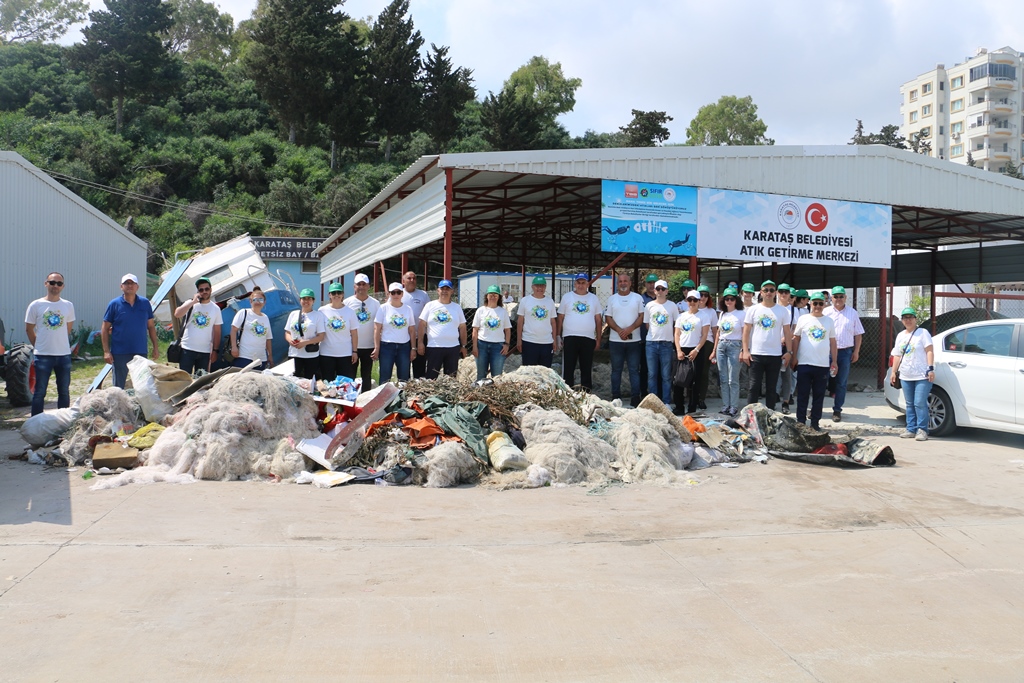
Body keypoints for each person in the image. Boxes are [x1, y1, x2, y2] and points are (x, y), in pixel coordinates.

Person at [25, 272, 75, 416]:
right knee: (40, 392)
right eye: (52, 282)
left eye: (59, 283)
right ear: (46, 283)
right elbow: (29, 329)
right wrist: (39, 345)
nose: (55, 286)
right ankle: (35, 424)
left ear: (63, 286)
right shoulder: (36, 305)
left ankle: (62, 424)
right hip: (43, 355)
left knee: (64, 392)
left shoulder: (68, 305)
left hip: (63, 355)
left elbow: (68, 329)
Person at [741, 280, 792, 410]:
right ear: (761, 292)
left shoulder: (782, 311)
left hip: (775, 355)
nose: (768, 293)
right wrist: (745, 350)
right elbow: (746, 331)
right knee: (753, 387)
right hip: (756, 354)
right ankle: (750, 417)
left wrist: (789, 352)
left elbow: (787, 332)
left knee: (771, 388)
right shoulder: (753, 309)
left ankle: (770, 415)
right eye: (766, 290)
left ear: (775, 292)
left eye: (771, 290)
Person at [789, 292, 837, 430]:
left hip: (822, 364)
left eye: (820, 303)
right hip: (804, 363)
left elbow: (833, 342)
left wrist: (834, 361)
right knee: (803, 394)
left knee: (819, 396)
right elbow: (796, 338)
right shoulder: (803, 319)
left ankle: (815, 423)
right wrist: (794, 357)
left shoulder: (829, 321)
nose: (817, 306)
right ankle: (801, 422)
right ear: (810, 304)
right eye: (815, 303)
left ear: (824, 304)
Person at [102, 273, 158, 389]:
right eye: (126, 283)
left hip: (140, 351)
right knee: (119, 387)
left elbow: (151, 326)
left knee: (142, 385)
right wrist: (106, 351)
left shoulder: (145, 303)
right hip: (120, 353)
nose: (129, 286)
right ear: (121, 286)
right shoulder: (114, 304)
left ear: (137, 287)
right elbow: (105, 328)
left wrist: (155, 348)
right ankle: (118, 407)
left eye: (132, 283)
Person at [890, 307, 935, 441]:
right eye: (905, 318)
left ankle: (922, 430)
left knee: (919, 402)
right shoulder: (900, 336)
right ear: (902, 320)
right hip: (905, 375)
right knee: (909, 403)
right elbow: (897, 355)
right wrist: (893, 371)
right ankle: (911, 428)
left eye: (910, 317)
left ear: (915, 319)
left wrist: (930, 368)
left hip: (922, 375)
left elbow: (929, 351)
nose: (908, 320)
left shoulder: (922, 333)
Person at [824, 285, 864, 422]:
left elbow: (858, 334)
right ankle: (817, 409)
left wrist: (856, 351)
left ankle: (837, 410)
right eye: (836, 296)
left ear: (845, 298)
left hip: (845, 352)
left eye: (841, 296)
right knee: (821, 381)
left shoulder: (852, 313)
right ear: (831, 298)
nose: (838, 299)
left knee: (841, 383)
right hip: (826, 352)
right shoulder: (826, 312)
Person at [604, 273, 645, 406]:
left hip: (634, 341)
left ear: (630, 283)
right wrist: (620, 331)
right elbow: (608, 318)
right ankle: (616, 397)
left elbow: (641, 316)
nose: (623, 283)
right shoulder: (612, 299)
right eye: (620, 281)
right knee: (616, 370)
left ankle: (635, 397)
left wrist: (629, 329)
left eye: (625, 281)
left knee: (634, 370)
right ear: (617, 284)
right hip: (616, 341)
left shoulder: (637, 298)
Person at [557, 273, 602, 391]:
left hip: (588, 338)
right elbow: (560, 317)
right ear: (574, 283)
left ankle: (586, 394)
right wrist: (558, 335)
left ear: (587, 284)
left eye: (583, 283)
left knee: (586, 368)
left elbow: (598, 319)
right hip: (570, 337)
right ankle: (567, 393)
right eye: (578, 283)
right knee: (568, 367)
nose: (581, 285)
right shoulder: (567, 297)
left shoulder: (593, 298)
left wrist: (598, 338)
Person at [418, 279, 467, 379]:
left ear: (452, 291)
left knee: (451, 378)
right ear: (438, 291)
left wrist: (464, 345)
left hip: (453, 347)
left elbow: (462, 327)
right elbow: (422, 324)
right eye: (442, 288)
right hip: (434, 347)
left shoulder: (457, 308)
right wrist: (420, 343)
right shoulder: (430, 306)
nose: (445, 291)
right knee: (431, 378)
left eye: (447, 289)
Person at [173, 277, 221, 376]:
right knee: (184, 379)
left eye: (206, 289)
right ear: (198, 291)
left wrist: (215, 350)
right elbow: (177, 314)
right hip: (187, 348)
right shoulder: (191, 303)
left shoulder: (215, 309)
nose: (204, 292)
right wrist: (193, 302)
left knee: (200, 382)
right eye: (201, 290)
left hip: (204, 351)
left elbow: (217, 331)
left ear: (210, 290)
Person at [373, 283, 416, 384]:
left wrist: (413, 348)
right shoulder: (383, 308)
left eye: (398, 292)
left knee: (404, 378)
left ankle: (402, 399)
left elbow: (412, 330)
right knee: (385, 377)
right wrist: (377, 348)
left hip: (404, 347)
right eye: (393, 293)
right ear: (389, 294)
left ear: (402, 294)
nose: (396, 295)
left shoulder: (408, 309)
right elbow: (377, 328)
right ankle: (384, 399)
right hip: (386, 346)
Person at [710, 286, 743, 416]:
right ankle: (725, 405)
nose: (729, 301)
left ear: (736, 300)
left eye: (732, 299)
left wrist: (744, 350)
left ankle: (734, 406)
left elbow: (745, 333)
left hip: (735, 345)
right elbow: (718, 332)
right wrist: (714, 350)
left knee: (732, 379)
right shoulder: (723, 314)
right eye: (726, 299)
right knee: (723, 379)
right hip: (721, 346)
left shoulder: (741, 314)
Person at [344, 273, 380, 392]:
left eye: (364, 284)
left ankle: (365, 400)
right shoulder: (347, 303)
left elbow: (379, 325)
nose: (361, 287)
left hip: (368, 345)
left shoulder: (375, 303)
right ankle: (350, 400)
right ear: (354, 286)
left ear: (368, 286)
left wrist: (377, 345)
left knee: (366, 376)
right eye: (359, 284)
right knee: (350, 376)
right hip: (351, 346)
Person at [644, 279, 678, 405]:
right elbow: (647, 324)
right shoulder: (649, 306)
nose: (660, 291)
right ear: (654, 290)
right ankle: (653, 403)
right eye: (658, 289)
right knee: (652, 375)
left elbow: (677, 324)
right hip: (651, 343)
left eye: (662, 289)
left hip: (666, 344)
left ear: (667, 291)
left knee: (666, 376)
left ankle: (666, 402)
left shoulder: (672, 306)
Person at [674, 290, 707, 415]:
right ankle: (679, 406)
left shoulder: (703, 316)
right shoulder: (681, 316)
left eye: (695, 300)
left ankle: (692, 408)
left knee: (695, 381)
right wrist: (678, 350)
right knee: (678, 380)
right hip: (682, 349)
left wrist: (697, 349)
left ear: (699, 301)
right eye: (689, 300)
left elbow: (704, 335)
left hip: (696, 349)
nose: (692, 303)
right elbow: (677, 334)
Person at [318, 282, 359, 382]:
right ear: (329, 295)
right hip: (326, 353)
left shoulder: (350, 312)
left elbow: (354, 334)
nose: (336, 295)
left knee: (344, 384)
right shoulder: (322, 311)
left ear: (342, 294)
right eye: (334, 293)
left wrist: (354, 351)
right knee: (327, 383)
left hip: (345, 354)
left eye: (339, 292)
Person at [516, 276, 558, 368]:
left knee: (545, 372)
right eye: (537, 286)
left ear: (545, 287)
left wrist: (554, 340)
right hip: (529, 341)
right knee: (529, 372)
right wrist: (519, 340)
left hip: (546, 342)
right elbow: (520, 321)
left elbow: (553, 322)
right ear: (532, 287)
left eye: (542, 286)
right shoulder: (525, 301)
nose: (540, 288)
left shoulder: (550, 301)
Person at [472, 285, 512, 380]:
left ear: (499, 297)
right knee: (481, 374)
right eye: (491, 294)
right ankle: (480, 393)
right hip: (482, 345)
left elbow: (507, 330)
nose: (493, 297)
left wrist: (507, 344)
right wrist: (474, 347)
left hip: (498, 347)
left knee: (497, 376)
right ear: (487, 296)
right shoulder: (480, 310)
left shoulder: (503, 312)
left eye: (495, 295)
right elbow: (475, 329)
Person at [285, 288, 326, 380]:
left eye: (309, 299)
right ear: (300, 300)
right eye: (304, 299)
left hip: (310, 355)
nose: (306, 301)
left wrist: (305, 342)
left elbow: (321, 336)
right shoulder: (293, 314)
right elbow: (287, 332)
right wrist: (290, 340)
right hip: (294, 354)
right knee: (292, 380)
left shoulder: (317, 315)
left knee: (309, 382)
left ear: (313, 301)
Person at [230, 286, 274, 370]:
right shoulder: (243, 312)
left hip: (261, 359)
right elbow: (233, 330)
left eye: (260, 300)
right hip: (244, 356)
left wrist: (270, 356)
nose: (258, 302)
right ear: (250, 301)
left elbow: (268, 339)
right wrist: (234, 347)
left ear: (264, 302)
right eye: (255, 299)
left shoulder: (265, 318)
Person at [401, 271, 430, 378]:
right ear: (403, 281)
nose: (412, 280)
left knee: (420, 367)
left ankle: (419, 392)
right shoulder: (398, 294)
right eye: (409, 278)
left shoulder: (423, 295)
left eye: (414, 278)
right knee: (403, 368)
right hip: (403, 339)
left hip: (420, 337)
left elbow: (429, 314)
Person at [694, 284, 717, 410]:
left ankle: (701, 398)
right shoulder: (691, 309)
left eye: (705, 295)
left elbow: (715, 330)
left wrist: (715, 348)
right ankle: (692, 397)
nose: (703, 297)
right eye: (701, 295)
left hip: (707, 343)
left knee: (703, 373)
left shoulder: (711, 312)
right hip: (693, 343)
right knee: (691, 372)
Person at [775, 283, 795, 414]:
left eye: (786, 292)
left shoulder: (794, 310)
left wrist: (785, 341)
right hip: (772, 346)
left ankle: (786, 402)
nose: (783, 294)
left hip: (786, 346)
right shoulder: (774, 308)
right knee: (773, 375)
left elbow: (794, 329)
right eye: (781, 292)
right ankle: (772, 399)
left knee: (786, 375)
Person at [638, 273, 659, 397]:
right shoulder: (640, 299)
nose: (652, 285)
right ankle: (644, 393)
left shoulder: (663, 299)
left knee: (659, 370)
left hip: (659, 340)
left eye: (654, 283)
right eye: (649, 283)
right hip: (643, 339)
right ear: (645, 284)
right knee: (644, 369)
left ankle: (658, 394)